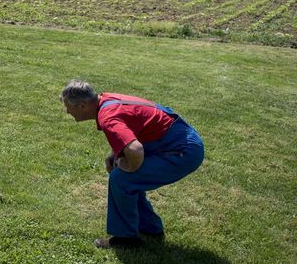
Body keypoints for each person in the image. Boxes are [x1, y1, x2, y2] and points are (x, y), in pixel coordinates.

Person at [60, 79, 204, 248]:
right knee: (127, 177)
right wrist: (116, 154)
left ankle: (126, 238)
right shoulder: (106, 100)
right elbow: (133, 124)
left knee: (122, 179)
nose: (68, 112)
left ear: (83, 105)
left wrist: (129, 167)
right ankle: (150, 227)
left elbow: (135, 150)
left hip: (182, 150)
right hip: (178, 139)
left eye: (68, 107)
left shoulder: (108, 117)